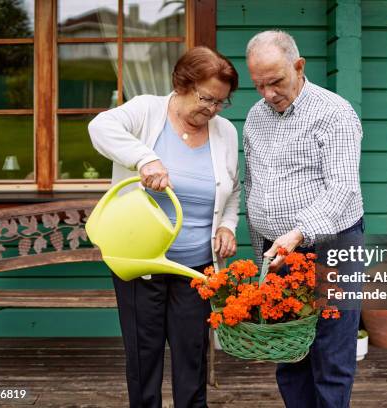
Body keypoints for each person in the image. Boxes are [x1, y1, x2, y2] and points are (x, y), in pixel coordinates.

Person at [88, 46, 241, 408]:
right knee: (144, 356)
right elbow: (100, 127)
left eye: (221, 102)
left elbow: (232, 189)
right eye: (206, 98)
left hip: (195, 267)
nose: (212, 109)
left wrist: (228, 226)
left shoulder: (226, 132)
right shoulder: (146, 110)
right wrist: (145, 158)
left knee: (192, 356)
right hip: (140, 263)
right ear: (182, 84)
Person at [243, 30, 364, 408]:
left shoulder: (335, 112)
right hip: (277, 251)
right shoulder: (255, 117)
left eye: (276, 81)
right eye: (259, 85)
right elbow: (253, 183)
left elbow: (342, 188)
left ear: (299, 66)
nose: (268, 94)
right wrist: (260, 242)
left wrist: (297, 233)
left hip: (330, 246)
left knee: (331, 354)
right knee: (289, 353)